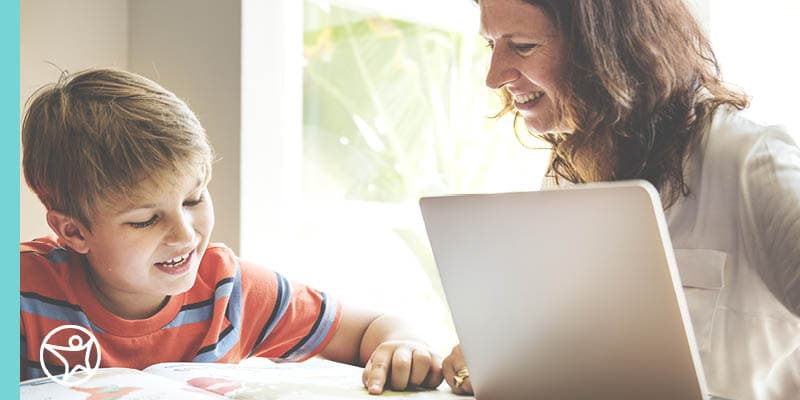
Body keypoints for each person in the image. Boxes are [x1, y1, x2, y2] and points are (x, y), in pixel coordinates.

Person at [442, 0, 800, 399]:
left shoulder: (750, 161)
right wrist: (504, 358)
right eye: (492, 45)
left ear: (606, 50)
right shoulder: (570, 168)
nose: (494, 77)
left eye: (523, 46)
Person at [19, 68, 444, 395]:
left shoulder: (230, 290)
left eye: (194, 200)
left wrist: (403, 344)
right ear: (73, 232)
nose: (184, 236)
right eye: (146, 220)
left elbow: (374, 327)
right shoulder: (20, 290)